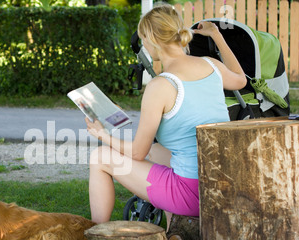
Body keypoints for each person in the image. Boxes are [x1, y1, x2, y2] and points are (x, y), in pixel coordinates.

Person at [85, 4, 246, 224]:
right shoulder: (212, 65)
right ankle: (173, 231)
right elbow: (241, 78)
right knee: (156, 151)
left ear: (152, 40)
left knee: (100, 157)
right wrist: (216, 35)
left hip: (192, 195)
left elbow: (137, 153)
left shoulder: (161, 85)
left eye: (143, 39)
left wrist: (102, 135)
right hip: (222, 184)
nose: (143, 45)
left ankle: (97, 234)